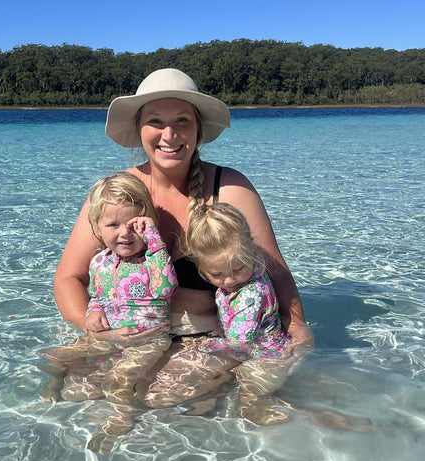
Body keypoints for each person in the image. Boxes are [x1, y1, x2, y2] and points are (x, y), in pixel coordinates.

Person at [53, 68, 313, 421]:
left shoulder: (229, 187)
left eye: (182, 121)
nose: (169, 134)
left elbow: (276, 270)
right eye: (156, 121)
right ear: (139, 129)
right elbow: (69, 277)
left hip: (204, 336)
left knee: (157, 400)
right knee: (74, 393)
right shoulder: (115, 195)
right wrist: (96, 329)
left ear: (198, 129)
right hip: (128, 330)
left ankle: (262, 397)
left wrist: (297, 327)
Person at [41, 172, 178, 441]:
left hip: (147, 340)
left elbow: (167, 288)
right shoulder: (100, 262)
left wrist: (154, 239)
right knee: (54, 356)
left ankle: (121, 419)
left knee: (120, 378)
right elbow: (97, 295)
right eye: (113, 225)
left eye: (133, 224)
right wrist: (93, 313)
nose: (124, 233)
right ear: (97, 227)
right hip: (112, 337)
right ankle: (54, 383)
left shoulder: (152, 260)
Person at [185, 202, 290, 360]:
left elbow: (239, 342)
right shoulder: (253, 266)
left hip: (268, 356)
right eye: (216, 274)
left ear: (250, 251)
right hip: (254, 347)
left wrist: (205, 345)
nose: (229, 280)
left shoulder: (251, 295)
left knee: (249, 383)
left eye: (238, 269)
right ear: (201, 268)